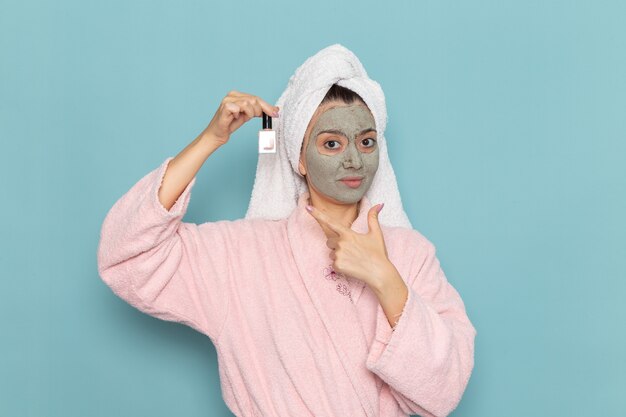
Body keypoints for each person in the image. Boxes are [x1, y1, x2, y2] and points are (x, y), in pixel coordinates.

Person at [97, 44, 476, 417]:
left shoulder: (410, 253)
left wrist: (383, 276)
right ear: (299, 158)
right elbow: (129, 254)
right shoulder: (242, 255)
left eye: (366, 141)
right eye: (331, 143)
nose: (353, 159)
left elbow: (445, 389)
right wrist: (211, 139)